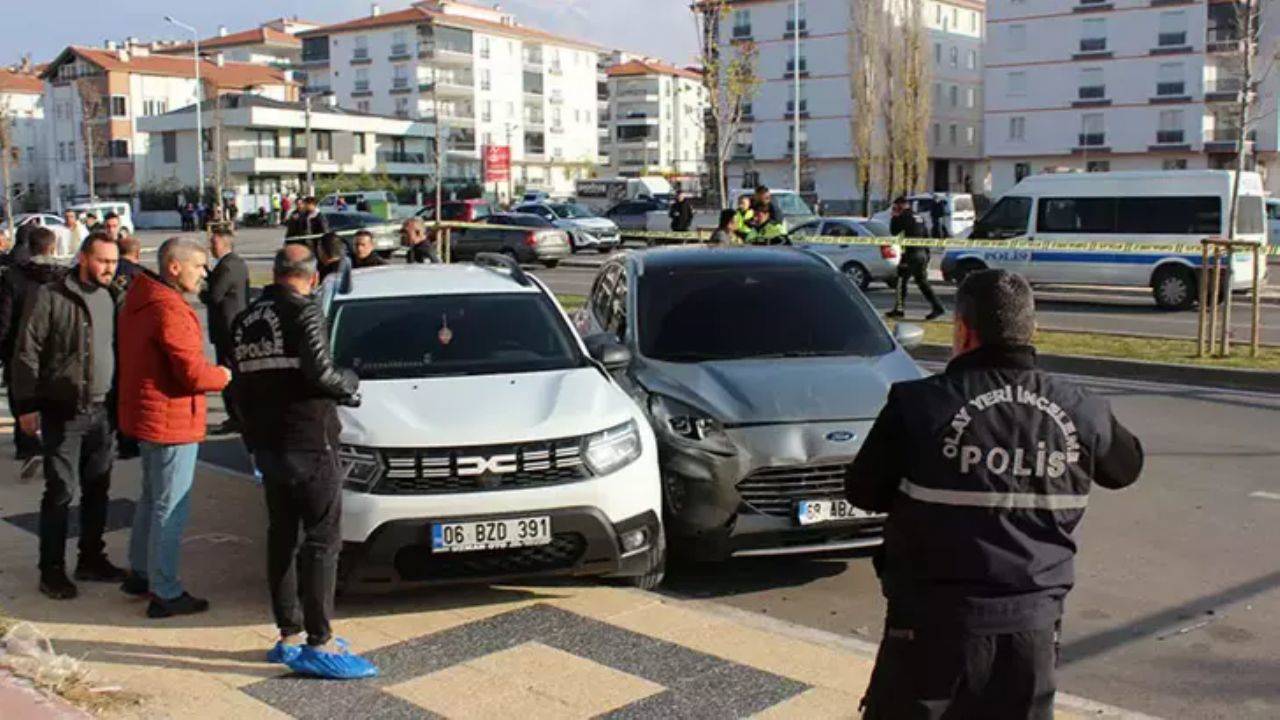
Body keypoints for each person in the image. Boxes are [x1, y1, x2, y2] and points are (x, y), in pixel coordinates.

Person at [846, 270, 1144, 720]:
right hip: (1031, 632)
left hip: (929, 630)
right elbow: (1126, 468)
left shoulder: (918, 405)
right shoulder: (1081, 408)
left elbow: (863, 491)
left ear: (964, 332)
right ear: (1032, 332)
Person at [230, 245, 376, 679]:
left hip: (268, 444)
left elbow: (236, 386)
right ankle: (321, 641)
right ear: (312, 278)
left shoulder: (246, 320)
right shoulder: (305, 312)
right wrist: (350, 383)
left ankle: (288, 635)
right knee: (322, 540)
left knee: (283, 537)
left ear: (275, 273)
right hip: (309, 440)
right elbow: (321, 374)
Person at [117, 237, 230, 618]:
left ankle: (141, 571)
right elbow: (192, 373)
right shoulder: (170, 309)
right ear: (174, 267)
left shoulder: (140, 298)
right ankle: (164, 590)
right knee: (171, 506)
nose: (204, 273)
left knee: (151, 499)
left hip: (149, 415)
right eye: (199, 266)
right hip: (171, 420)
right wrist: (223, 375)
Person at [11, 233, 127, 599]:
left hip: (103, 410)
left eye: (113, 261)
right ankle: (52, 570)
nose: (109, 268)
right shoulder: (51, 296)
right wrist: (26, 405)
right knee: (61, 490)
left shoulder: (114, 296)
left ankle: (91, 558)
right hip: (64, 410)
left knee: (98, 487)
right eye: (102, 261)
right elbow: (26, 351)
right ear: (82, 259)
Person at [0, 228, 66, 468]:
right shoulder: (63, 276)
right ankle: (52, 444)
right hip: (54, 347)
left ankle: (27, 445)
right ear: (53, 246)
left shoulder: (13, 277)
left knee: (21, 395)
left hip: (18, 347)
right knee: (52, 395)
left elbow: (5, 318)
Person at [200, 224, 249, 434]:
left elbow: (214, 296)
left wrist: (201, 289)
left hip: (227, 328)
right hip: (231, 327)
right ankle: (236, 415)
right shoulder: (233, 264)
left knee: (229, 373)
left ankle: (236, 416)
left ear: (224, 244)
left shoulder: (229, 266)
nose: (211, 246)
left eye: (214, 242)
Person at [886, 195, 945, 321]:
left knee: (901, 281)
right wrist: (927, 254)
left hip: (910, 254)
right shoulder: (919, 217)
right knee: (922, 282)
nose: (895, 209)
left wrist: (894, 217)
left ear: (901, 205)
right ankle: (938, 307)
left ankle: (899, 310)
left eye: (896, 207)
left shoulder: (902, 217)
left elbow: (894, 232)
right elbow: (926, 235)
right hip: (922, 253)